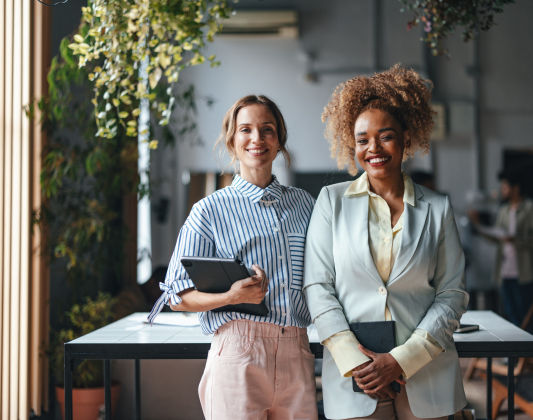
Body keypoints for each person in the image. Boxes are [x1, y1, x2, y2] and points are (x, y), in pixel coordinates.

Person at [303, 65, 469, 420]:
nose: (373, 148)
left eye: (386, 135)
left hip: (428, 373)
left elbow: (452, 294)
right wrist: (356, 361)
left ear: (406, 138)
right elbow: (318, 287)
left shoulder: (438, 208)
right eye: (362, 139)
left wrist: (400, 360)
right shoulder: (330, 202)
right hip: (356, 378)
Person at [147, 95, 318, 420]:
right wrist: (232, 296)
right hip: (239, 351)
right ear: (232, 141)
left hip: (297, 349)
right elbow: (175, 296)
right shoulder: (209, 210)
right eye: (246, 129)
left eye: (267, 129)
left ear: (279, 140)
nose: (257, 138)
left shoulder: (305, 205)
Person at [468, 171, 533, 326]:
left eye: (504, 186)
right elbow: (497, 238)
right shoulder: (504, 210)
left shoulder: (531, 208)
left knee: (526, 315)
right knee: (510, 314)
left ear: (516, 188)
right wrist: (478, 225)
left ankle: (529, 348)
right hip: (505, 272)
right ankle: (517, 349)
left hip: (524, 273)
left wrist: (516, 240)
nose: (502, 190)